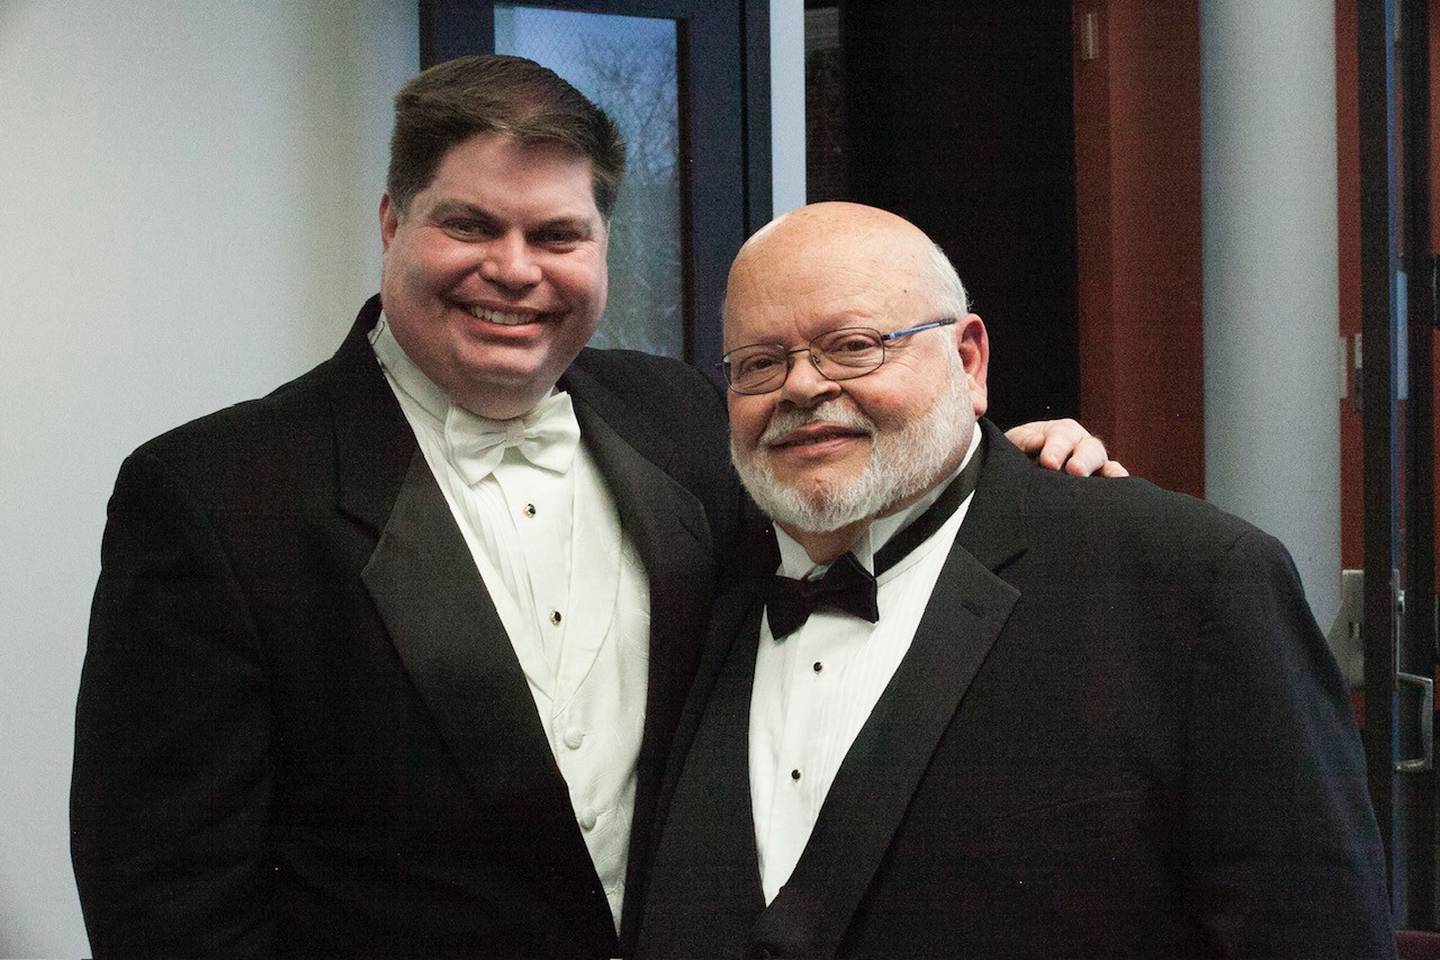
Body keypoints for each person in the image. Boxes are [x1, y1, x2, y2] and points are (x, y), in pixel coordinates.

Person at [70, 57, 1115, 957]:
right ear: (393, 224)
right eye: (469, 225)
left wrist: (1003, 471)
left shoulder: (687, 418)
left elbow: (853, 523)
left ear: (603, 246)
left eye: (558, 234)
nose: (515, 270)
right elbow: (167, 902)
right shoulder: (213, 495)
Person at [637, 202, 1395, 959]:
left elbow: (1315, 933)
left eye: (854, 345)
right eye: (761, 363)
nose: (802, 387)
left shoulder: (1185, 582)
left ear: (968, 360)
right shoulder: (696, 581)